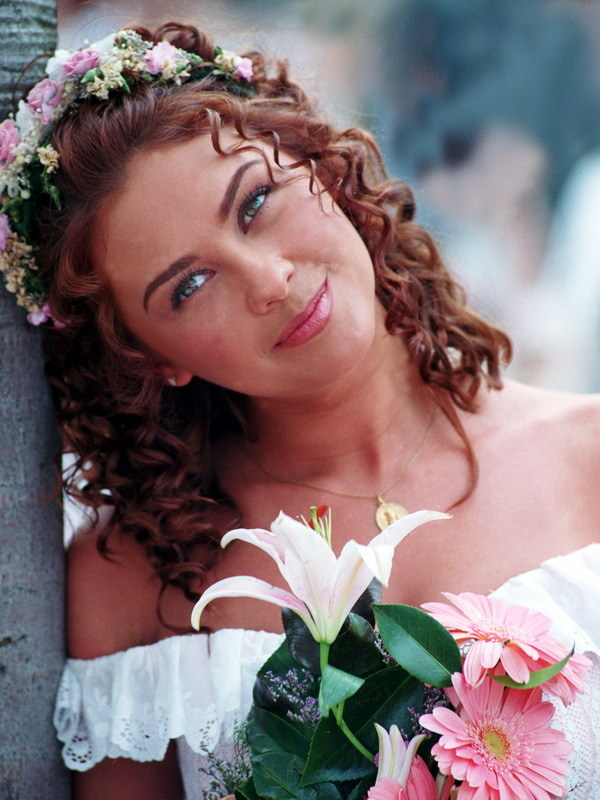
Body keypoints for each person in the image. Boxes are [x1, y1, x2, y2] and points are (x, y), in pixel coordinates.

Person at [1, 22, 599, 800]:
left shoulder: (588, 457)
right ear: (152, 357)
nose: (269, 279)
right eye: (188, 286)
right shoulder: (134, 587)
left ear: (317, 165)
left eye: (255, 202)